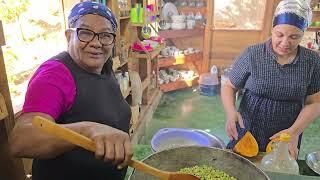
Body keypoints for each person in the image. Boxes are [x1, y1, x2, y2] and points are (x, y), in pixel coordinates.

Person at [9, 2, 133, 180]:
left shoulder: (105, 65)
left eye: (105, 35)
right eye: (85, 33)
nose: (96, 43)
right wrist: (87, 130)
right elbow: (20, 140)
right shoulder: (54, 75)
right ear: (69, 36)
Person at [221, 0, 320, 159]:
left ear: (303, 34)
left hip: (288, 132)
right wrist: (231, 112)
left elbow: (314, 102)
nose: (285, 43)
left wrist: (294, 131)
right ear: (272, 29)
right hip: (248, 128)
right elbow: (229, 86)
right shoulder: (252, 54)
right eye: (279, 35)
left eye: (294, 37)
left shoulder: (312, 61)